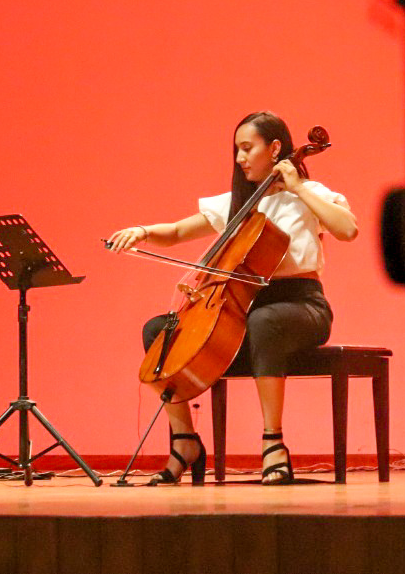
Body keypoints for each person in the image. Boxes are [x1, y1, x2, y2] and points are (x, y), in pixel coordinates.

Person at [107, 111, 358, 485]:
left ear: (275, 148)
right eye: (236, 150)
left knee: (264, 322)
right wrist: (142, 231)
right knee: (160, 330)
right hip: (243, 313)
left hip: (302, 306)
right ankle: (184, 443)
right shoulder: (237, 204)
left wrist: (299, 188)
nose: (240, 158)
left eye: (247, 148)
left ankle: (273, 443)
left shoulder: (311, 195)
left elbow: (348, 229)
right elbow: (175, 232)